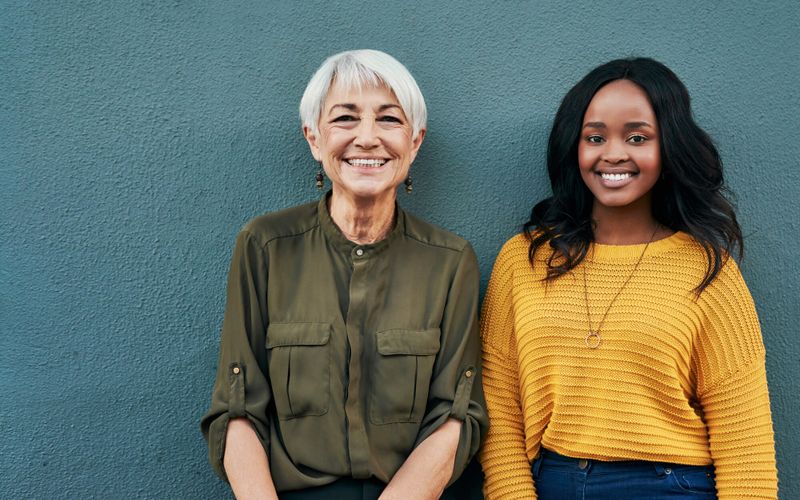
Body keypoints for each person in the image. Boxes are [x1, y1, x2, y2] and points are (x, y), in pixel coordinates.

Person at [479, 58, 778, 499]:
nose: (613, 153)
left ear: (668, 148)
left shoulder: (709, 270)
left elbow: (745, 447)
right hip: (553, 482)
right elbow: (499, 407)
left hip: (671, 487)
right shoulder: (523, 260)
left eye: (637, 137)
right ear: (573, 147)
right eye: (595, 137)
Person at [201, 49, 487, 499]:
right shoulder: (265, 246)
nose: (368, 138)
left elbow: (455, 416)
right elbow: (237, 409)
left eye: (390, 120)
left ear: (415, 142)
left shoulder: (450, 261)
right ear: (314, 138)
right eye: (345, 119)